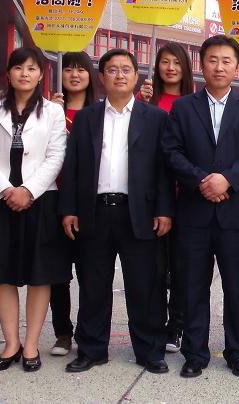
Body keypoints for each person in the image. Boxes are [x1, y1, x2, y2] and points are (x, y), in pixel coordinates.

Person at [61, 48, 173, 375]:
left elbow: (164, 169)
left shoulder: (155, 118)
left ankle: (150, 350)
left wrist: (164, 209)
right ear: (102, 77)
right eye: (112, 69)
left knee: (145, 285)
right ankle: (92, 349)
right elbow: (73, 166)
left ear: (136, 76)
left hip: (139, 212)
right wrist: (69, 209)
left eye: (126, 69)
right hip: (95, 211)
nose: (119, 75)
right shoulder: (87, 118)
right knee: (93, 283)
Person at [163, 35, 239, 379]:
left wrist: (228, 180)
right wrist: (202, 181)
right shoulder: (183, 108)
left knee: (237, 287)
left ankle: (238, 352)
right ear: (201, 64)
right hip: (194, 212)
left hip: (235, 214)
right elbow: (172, 152)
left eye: (226, 61)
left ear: (237, 67)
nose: (219, 67)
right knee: (193, 286)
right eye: (212, 60)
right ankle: (195, 353)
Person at [0, 47, 69, 372]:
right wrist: (6, 190)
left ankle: (31, 345)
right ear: (9, 74)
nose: (24, 74)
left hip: (40, 201)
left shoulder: (53, 112)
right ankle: (11, 343)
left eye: (31, 68)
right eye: (18, 68)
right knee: (3, 274)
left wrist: (28, 190)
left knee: (40, 275)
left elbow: (56, 156)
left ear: (40, 75)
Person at [137, 42, 194, 354]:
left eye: (177, 62)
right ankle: (155, 324)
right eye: (165, 62)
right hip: (151, 196)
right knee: (154, 267)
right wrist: (140, 103)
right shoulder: (146, 101)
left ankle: (177, 326)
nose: (170, 68)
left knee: (183, 267)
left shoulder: (194, 103)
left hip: (185, 197)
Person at [48, 51, 96, 358]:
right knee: (58, 273)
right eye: (68, 70)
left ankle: (88, 332)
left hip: (89, 201)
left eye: (81, 70)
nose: (75, 75)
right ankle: (63, 333)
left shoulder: (100, 113)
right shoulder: (48, 112)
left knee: (91, 272)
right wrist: (52, 114)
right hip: (53, 198)